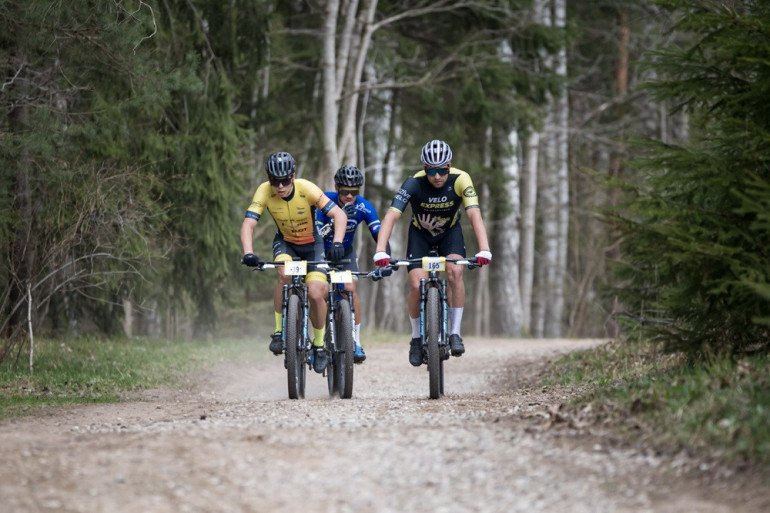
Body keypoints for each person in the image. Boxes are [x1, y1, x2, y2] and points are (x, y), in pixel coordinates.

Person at [373, 139, 492, 367]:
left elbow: (474, 214)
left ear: (450, 166)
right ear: (424, 168)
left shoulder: (461, 179)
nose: (437, 176)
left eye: (442, 170)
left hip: (450, 234)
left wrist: (484, 248)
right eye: (431, 170)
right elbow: (391, 216)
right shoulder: (413, 183)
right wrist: (380, 250)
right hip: (420, 235)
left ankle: (455, 332)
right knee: (417, 285)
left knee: (455, 273)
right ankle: (416, 339)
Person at [240, 151, 348, 374]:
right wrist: (248, 252)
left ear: (293, 176)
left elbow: (339, 215)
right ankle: (280, 332)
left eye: (285, 180)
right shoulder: (264, 191)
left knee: (317, 292)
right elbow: (248, 224)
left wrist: (337, 242)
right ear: (269, 179)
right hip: (286, 243)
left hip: (312, 245)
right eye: (274, 181)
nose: (280, 186)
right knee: (284, 274)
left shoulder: (306, 188)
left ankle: (319, 346)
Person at [315, 165, 392, 364]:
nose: (349, 196)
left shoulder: (364, 206)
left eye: (354, 192)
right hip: (322, 252)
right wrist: (338, 218)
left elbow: (378, 234)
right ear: (336, 187)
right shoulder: (325, 201)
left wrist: (385, 257)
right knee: (320, 293)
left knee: (350, 288)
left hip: (346, 253)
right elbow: (317, 235)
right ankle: (321, 338)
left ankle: (355, 341)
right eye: (344, 191)